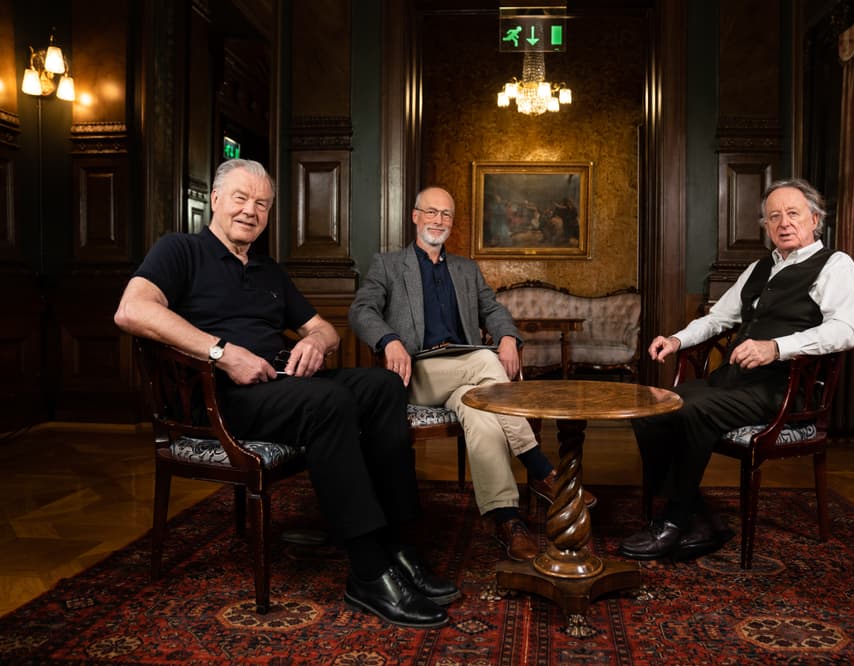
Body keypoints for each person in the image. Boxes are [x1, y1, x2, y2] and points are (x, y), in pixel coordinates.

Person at [114, 159, 456, 628]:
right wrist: (221, 353)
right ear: (215, 200)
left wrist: (315, 342)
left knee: (381, 385)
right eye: (240, 198)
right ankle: (368, 571)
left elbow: (324, 328)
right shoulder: (180, 250)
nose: (250, 211)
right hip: (217, 397)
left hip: (278, 384)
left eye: (261, 204)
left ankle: (396, 542)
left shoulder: (267, 270)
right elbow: (132, 310)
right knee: (328, 402)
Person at [349, 186, 596, 563]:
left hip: (467, 376)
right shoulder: (388, 265)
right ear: (415, 216)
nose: (438, 220)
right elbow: (361, 310)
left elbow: (493, 310)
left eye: (446, 214)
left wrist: (508, 337)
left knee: (481, 415)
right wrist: (389, 340)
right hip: (416, 372)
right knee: (485, 361)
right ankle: (542, 469)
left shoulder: (465, 269)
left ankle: (506, 519)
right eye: (431, 212)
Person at [621, 178, 854, 562]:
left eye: (793, 213)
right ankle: (699, 517)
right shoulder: (759, 268)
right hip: (734, 381)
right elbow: (719, 318)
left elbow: (844, 332)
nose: (784, 223)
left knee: (693, 411)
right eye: (774, 216)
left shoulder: (836, 266)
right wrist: (677, 340)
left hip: (785, 390)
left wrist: (776, 347)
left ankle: (675, 520)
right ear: (766, 226)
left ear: (815, 219)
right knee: (650, 408)